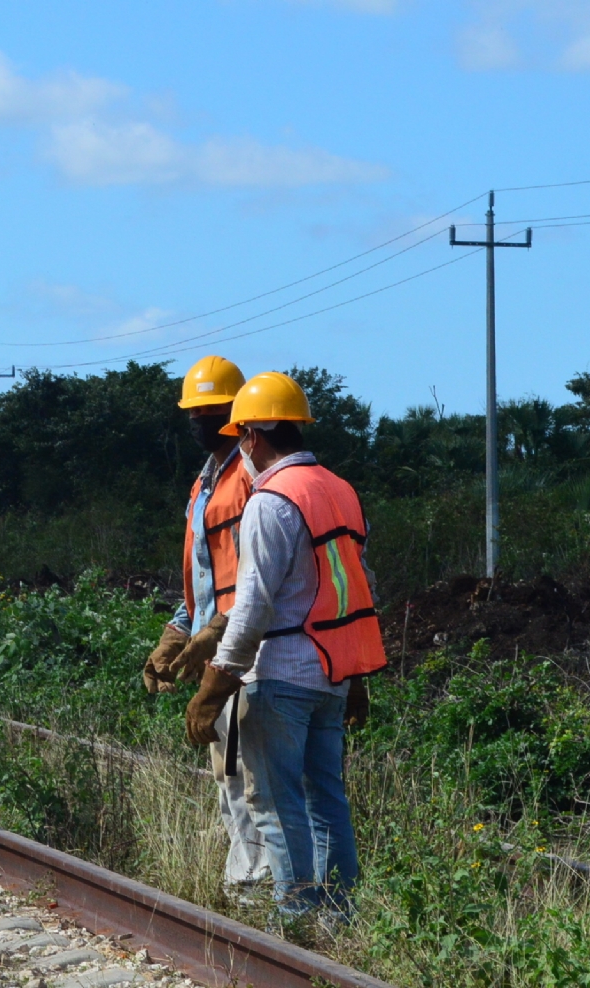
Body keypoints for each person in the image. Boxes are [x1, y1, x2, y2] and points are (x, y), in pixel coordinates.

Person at [185, 371, 386, 924]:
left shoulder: (269, 501)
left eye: (243, 434)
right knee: (327, 800)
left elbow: (251, 608)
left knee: (276, 806)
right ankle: (338, 916)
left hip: (280, 675)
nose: (242, 445)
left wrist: (215, 684)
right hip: (332, 675)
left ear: (255, 434)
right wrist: (357, 676)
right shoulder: (340, 489)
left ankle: (295, 919)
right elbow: (356, 588)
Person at [142, 355, 270, 888]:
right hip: (216, 640)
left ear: (236, 413)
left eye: (212, 411)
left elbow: (253, 580)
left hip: (246, 645)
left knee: (252, 774)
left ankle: (260, 884)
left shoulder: (249, 477)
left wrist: (215, 633)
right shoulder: (204, 482)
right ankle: (245, 878)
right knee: (226, 769)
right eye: (194, 412)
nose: (200, 421)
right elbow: (203, 576)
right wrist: (176, 633)